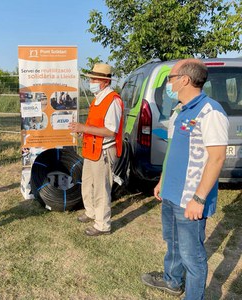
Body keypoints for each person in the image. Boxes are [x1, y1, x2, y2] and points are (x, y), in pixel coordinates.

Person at [141, 59, 229, 299]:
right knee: (173, 242)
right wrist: (162, 180)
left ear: (185, 80)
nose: (168, 83)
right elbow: (173, 151)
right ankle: (171, 281)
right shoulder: (180, 109)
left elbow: (217, 158)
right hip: (171, 192)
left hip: (190, 198)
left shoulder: (210, 112)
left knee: (193, 257)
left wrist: (199, 199)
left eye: (170, 78)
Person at [69, 63, 124, 236]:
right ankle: (91, 212)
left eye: (94, 79)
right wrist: (82, 130)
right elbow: (95, 125)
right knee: (88, 183)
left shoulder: (112, 101)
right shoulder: (98, 98)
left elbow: (110, 131)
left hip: (104, 151)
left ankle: (102, 224)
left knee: (101, 188)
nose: (90, 81)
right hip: (92, 149)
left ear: (105, 81)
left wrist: (83, 128)